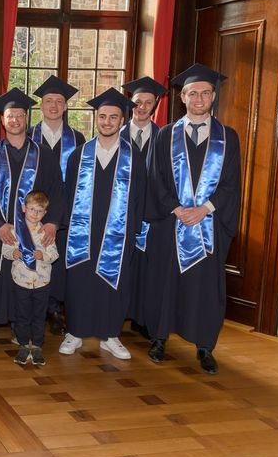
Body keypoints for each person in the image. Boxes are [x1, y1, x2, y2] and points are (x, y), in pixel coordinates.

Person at [144, 63, 241, 375]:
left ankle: (204, 345)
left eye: (205, 93)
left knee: (205, 287)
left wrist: (205, 209)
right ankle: (159, 338)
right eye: (192, 93)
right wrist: (175, 207)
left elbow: (231, 183)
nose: (199, 98)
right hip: (171, 223)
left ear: (213, 97)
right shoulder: (165, 136)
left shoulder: (228, 137)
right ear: (182, 97)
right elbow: (155, 179)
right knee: (164, 282)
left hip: (208, 225)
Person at [0, 88, 65, 359]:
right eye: (10, 116)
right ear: (3, 120)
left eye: (20, 116)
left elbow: (57, 192)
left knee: (27, 283)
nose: (15, 121)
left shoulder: (44, 155)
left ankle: (20, 332)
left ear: (27, 119)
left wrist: (51, 224)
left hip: (34, 232)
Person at [59, 88, 146, 359]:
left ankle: (111, 335)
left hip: (118, 233)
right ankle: (74, 332)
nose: (107, 122)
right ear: (96, 118)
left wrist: (134, 235)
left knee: (114, 283)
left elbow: (140, 201)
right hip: (82, 232)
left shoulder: (135, 158)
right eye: (103, 116)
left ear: (122, 120)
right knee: (80, 281)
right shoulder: (78, 155)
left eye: (113, 117)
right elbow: (67, 196)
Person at [30, 75, 84, 337]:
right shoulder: (29, 136)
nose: (53, 105)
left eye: (59, 101)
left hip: (66, 215)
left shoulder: (79, 138)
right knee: (35, 259)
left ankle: (54, 310)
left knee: (59, 262)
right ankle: (35, 310)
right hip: (33, 215)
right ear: (41, 105)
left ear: (65, 107)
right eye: (48, 100)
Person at [121, 76, 168, 340]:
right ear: (131, 103)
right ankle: (119, 315)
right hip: (122, 212)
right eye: (138, 102)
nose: (142, 107)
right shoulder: (115, 134)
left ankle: (144, 319)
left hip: (153, 215)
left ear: (154, 106)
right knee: (123, 264)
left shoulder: (164, 138)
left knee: (148, 269)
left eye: (148, 103)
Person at [0, 191, 58, 366]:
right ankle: (24, 344)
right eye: (32, 209)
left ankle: (38, 346)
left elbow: (54, 254)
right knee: (22, 315)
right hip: (21, 281)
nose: (35, 214)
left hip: (41, 282)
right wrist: (13, 253)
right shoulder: (14, 230)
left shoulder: (46, 232)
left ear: (45, 213)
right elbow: (5, 251)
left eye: (39, 211)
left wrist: (43, 256)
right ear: (24, 208)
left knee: (39, 316)